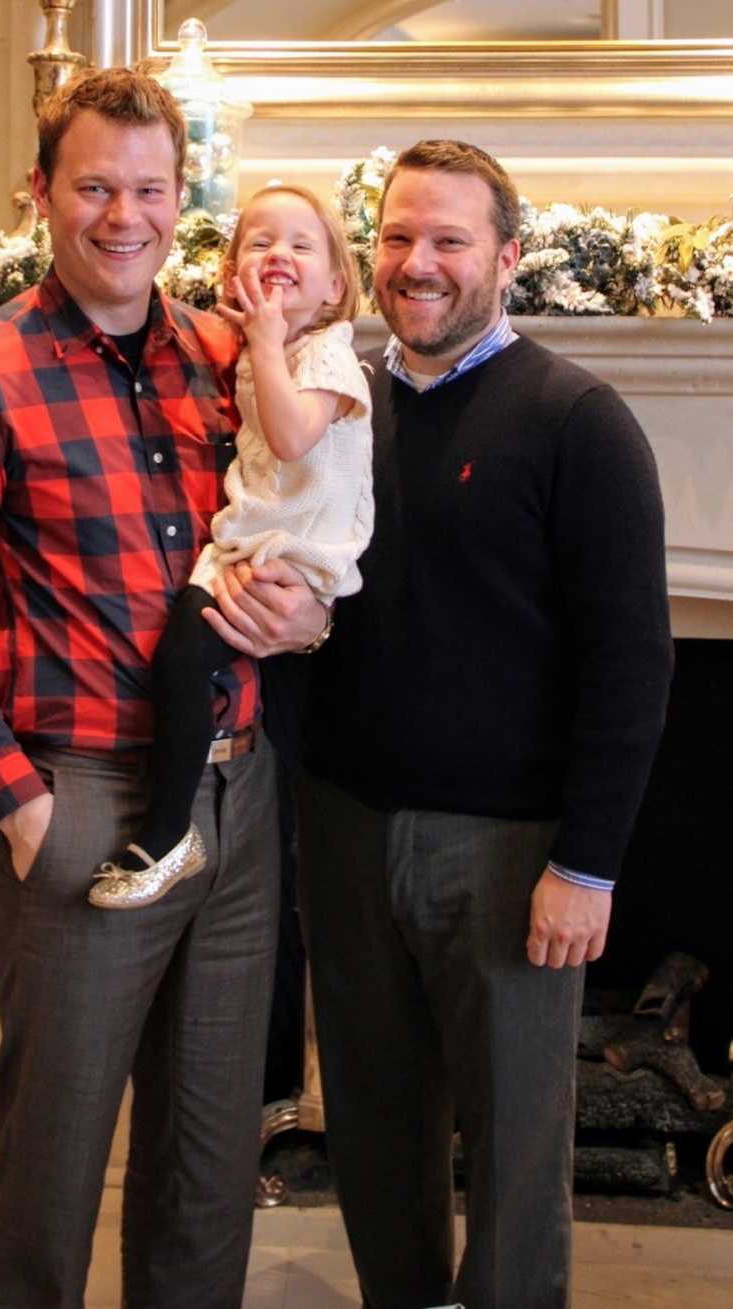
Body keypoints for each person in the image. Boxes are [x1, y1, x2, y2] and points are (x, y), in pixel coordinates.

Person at [0, 66, 324, 1309]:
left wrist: (311, 613)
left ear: (185, 199)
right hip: (80, 806)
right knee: (56, 1167)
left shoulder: (228, 359)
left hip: (234, 803)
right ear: (41, 195)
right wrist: (17, 802)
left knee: (209, 1166)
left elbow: (304, 521)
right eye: (95, 188)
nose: (125, 216)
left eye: (151, 189)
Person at [291, 140, 675, 1309]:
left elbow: (634, 659)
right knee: (373, 1132)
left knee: (513, 1159)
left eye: (450, 239)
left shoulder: (578, 420)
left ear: (507, 258)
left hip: (510, 856)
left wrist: (589, 864)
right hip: (347, 832)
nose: (419, 263)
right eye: (400, 237)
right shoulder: (336, 408)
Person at [90, 184, 373, 909]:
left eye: (301, 245)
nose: (279, 253)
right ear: (230, 276)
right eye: (259, 242)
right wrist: (260, 342)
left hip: (294, 549)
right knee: (182, 659)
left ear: (337, 284)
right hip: (249, 539)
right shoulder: (265, 350)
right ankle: (174, 825)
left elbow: (288, 435)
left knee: (184, 657)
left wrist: (265, 341)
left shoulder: (329, 359)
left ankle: (166, 830)